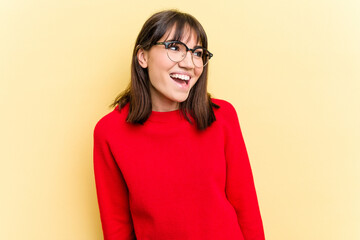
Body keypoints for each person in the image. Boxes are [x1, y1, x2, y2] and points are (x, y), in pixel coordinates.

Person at [93, 9, 265, 240]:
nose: (189, 63)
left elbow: (247, 209)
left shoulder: (222, 117)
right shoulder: (110, 132)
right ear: (142, 56)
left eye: (197, 53)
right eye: (175, 47)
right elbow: (117, 227)